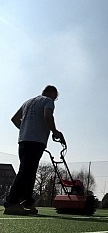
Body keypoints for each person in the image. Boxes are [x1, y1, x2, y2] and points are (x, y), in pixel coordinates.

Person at [4, 85, 63, 215]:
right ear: (52, 93)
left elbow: (14, 119)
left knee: (29, 171)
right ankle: (12, 202)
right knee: (26, 170)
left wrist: (26, 128)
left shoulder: (28, 102)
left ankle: (27, 201)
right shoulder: (48, 101)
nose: (55, 98)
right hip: (36, 141)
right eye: (55, 96)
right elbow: (48, 116)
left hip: (23, 140)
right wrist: (55, 131)